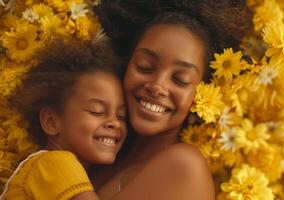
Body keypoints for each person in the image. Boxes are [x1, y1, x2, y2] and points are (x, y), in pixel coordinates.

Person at [92, 1, 252, 199]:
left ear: (201, 93)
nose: (157, 86)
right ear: (126, 64)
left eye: (180, 80)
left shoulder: (183, 166)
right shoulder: (105, 147)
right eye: (145, 67)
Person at [0, 40, 127, 200]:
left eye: (122, 116)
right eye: (97, 111)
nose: (114, 122)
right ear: (51, 122)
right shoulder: (55, 162)